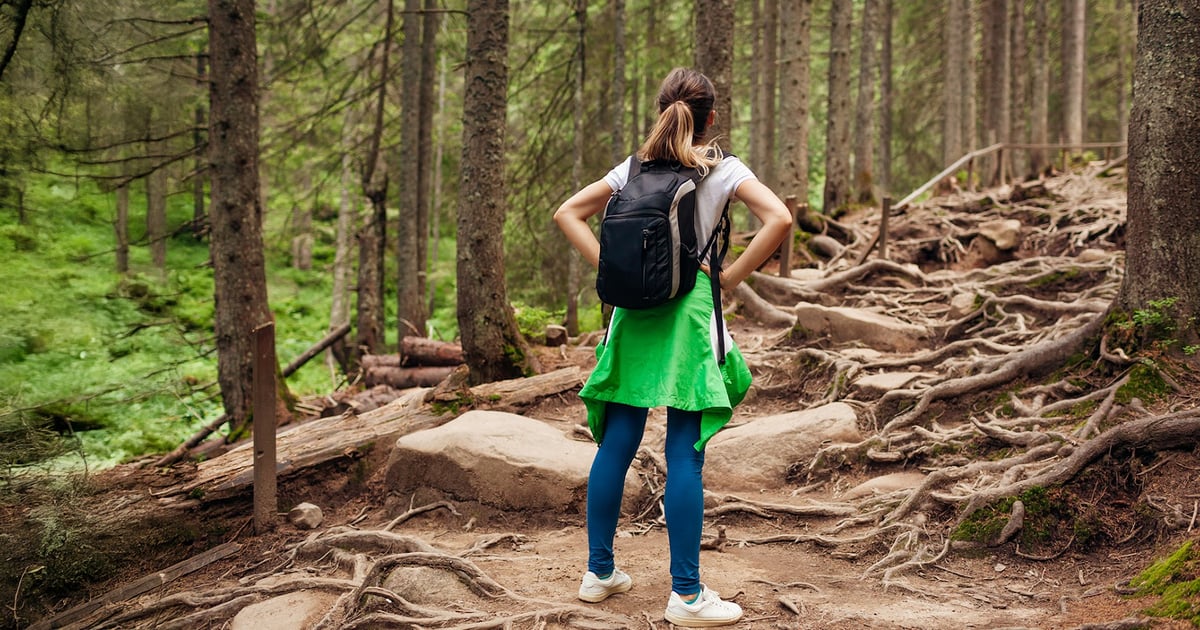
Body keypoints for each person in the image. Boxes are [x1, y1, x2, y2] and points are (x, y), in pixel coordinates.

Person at [553, 67, 792, 628]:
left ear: (661, 111)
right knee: (684, 451)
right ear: (711, 117)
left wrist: (613, 270)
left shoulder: (631, 170)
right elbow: (778, 216)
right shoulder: (723, 167)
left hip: (632, 316)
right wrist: (729, 277)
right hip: (689, 316)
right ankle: (686, 595)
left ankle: (599, 572)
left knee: (617, 445)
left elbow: (567, 212)